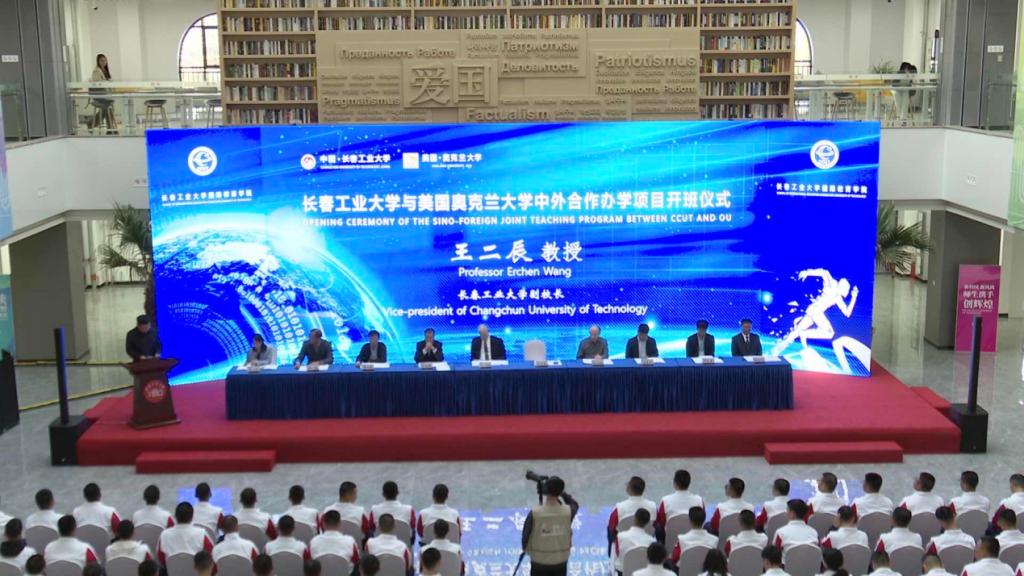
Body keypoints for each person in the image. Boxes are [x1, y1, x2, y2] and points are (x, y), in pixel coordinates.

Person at [522, 476, 578, 576]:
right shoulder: (568, 512)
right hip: (560, 560)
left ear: (546, 490)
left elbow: (525, 537)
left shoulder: (535, 513)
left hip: (538, 561)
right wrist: (562, 492)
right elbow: (574, 503)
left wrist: (528, 551)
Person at [608, 476, 657, 548]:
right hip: (647, 547)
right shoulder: (653, 507)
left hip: (623, 548)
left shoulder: (619, 508)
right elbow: (658, 528)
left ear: (629, 489)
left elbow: (611, 529)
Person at [611, 509, 655, 574]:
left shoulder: (620, 536)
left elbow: (617, 554)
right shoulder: (652, 542)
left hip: (623, 572)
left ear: (635, 519)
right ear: (648, 522)